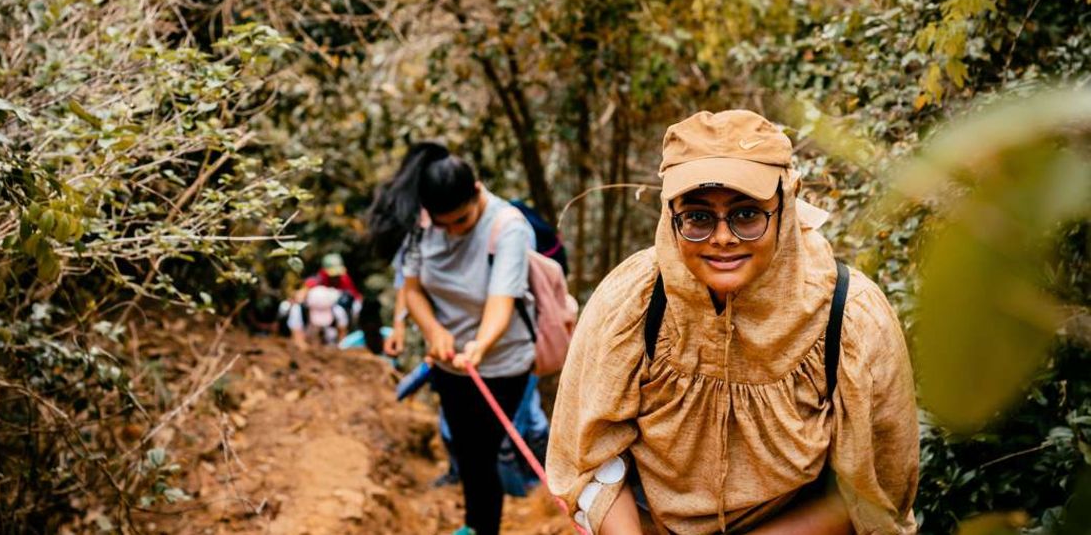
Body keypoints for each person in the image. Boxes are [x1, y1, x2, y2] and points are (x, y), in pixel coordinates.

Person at [546, 110, 918, 534]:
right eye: (699, 218)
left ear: (786, 206)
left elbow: (874, 490)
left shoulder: (850, 315)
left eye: (746, 215)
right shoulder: (633, 301)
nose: (723, 238)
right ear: (672, 218)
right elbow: (588, 454)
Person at [367, 142, 537, 535]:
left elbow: (502, 300)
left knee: (481, 452)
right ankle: (473, 525)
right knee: (465, 448)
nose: (452, 232)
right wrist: (434, 331)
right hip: (448, 362)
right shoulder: (421, 223)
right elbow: (411, 288)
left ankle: (480, 527)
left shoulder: (507, 226)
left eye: (461, 221)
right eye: (444, 225)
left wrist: (480, 344)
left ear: (477, 191)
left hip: (500, 361)